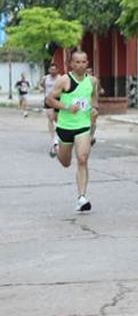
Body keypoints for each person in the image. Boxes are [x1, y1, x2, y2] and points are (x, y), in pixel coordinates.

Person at [46, 51, 99, 213]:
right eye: (77, 62)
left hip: (83, 126)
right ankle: (56, 145)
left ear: (87, 63)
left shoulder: (93, 81)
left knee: (82, 159)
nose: (81, 65)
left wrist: (95, 109)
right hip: (65, 127)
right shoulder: (64, 80)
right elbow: (49, 100)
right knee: (65, 163)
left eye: (84, 62)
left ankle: (82, 197)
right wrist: (67, 107)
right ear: (71, 64)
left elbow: (94, 98)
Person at [40, 64, 61, 157]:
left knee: (57, 120)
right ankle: (54, 140)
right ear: (49, 70)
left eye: (54, 69)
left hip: (57, 100)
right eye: (51, 69)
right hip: (48, 100)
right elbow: (41, 85)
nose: (52, 71)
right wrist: (42, 90)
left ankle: (58, 135)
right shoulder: (46, 78)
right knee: (50, 118)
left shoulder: (60, 78)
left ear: (57, 70)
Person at [85, 67, 104, 145]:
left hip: (94, 103)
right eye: (87, 71)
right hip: (86, 104)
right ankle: (88, 136)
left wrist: (101, 90)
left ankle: (91, 136)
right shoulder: (82, 80)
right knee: (87, 121)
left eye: (90, 71)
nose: (89, 72)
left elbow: (100, 89)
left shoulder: (95, 80)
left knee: (93, 121)